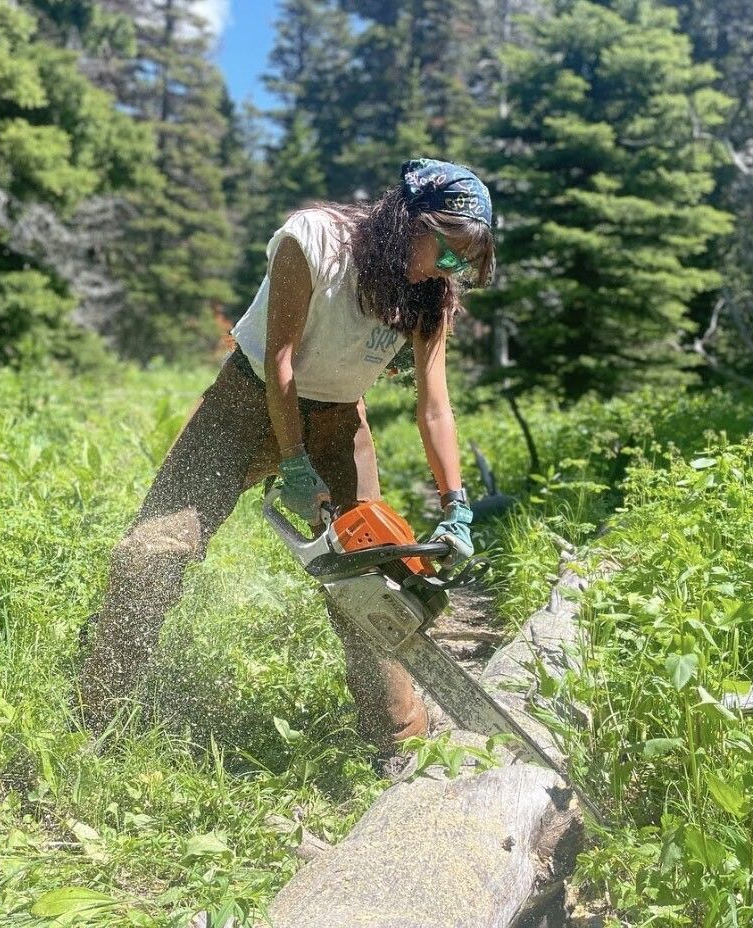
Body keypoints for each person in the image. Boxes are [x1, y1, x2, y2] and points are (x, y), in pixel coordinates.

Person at [77, 158, 495, 764]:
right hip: (247, 404)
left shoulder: (432, 295)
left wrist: (456, 505)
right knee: (152, 552)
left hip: (337, 420)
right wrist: (292, 462)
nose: (449, 267)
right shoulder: (315, 242)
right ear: (410, 218)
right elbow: (279, 362)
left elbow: (434, 406)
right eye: (447, 249)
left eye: (464, 259)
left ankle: (402, 743)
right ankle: (97, 714)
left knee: (371, 579)